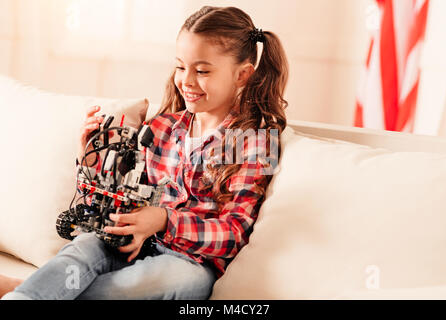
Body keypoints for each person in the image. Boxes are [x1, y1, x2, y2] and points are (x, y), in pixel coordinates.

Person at [0, 5, 288, 300]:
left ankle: (25, 291)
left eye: (202, 70)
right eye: (180, 66)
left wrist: (164, 220)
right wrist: (91, 156)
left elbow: (234, 233)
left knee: (147, 286)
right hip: (130, 242)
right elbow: (110, 201)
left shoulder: (254, 143)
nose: (186, 80)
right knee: (83, 247)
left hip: (188, 262)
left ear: (242, 75)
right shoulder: (162, 127)